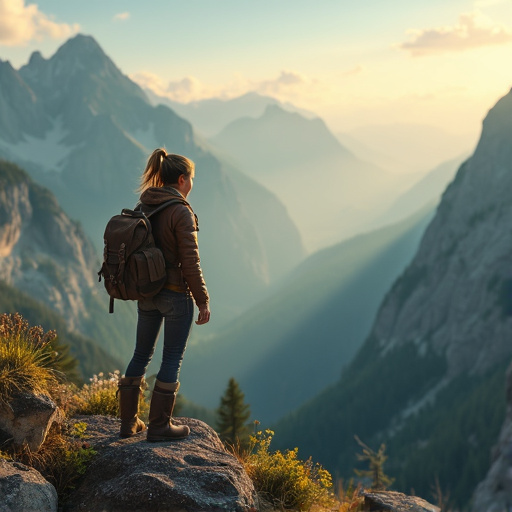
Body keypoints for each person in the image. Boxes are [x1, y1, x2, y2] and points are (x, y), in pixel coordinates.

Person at [117, 148, 210, 441]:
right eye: (191, 178)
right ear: (182, 180)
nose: (192, 184)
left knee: (140, 354)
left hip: (147, 293)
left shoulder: (145, 204)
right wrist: (203, 300)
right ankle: (159, 426)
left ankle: (128, 424)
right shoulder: (181, 211)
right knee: (171, 358)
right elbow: (190, 262)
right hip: (175, 296)